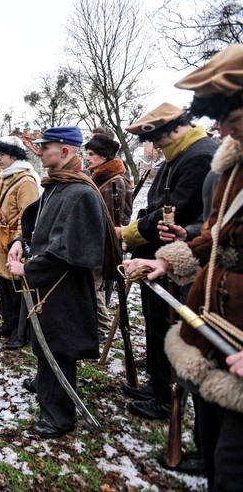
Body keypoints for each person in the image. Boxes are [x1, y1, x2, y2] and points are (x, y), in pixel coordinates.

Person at [124, 43, 243, 489]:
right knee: (214, 439)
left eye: (231, 120)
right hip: (217, 321)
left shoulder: (209, 157)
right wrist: (170, 257)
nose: (223, 131)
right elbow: (214, 232)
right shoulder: (233, 165)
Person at [7, 126, 115, 439]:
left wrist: (30, 270)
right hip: (49, 281)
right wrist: (20, 241)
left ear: (65, 151)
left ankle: (59, 416)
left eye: (45, 147)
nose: (39, 153)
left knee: (59, 346)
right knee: (45, 340)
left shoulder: (79, 193)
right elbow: (38, 226)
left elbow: (69, 250)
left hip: (65, 285)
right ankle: (44, 383)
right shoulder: (58, 185)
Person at [121, 103, 216, 420]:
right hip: (157, 258)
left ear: (175, 130)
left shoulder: (200, 155)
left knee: (167, 328)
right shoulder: (179, 156)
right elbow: (157, 207)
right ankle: (158, 384)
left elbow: (179, 212)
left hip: (177, 263)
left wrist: (131, 233)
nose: (157, 147)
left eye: (159, 139)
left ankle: (166, 398)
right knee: (156, 325)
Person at [0, 136, 41, 348]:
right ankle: (8, 325)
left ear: (14, 156)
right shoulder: (8, 176)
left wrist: (17, 242)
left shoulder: (25, 181)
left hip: (13, 244)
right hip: (0, 239)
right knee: (4, 288)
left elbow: (28, 218)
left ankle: (21, 333)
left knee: (17, 292)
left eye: (1, 154)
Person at [84, 134, 133, 342]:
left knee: (96, 287)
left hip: (104, 243)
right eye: (87, 153)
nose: (87, 158)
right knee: (92, 286)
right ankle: (94, 327)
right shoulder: (100, 178)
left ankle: (101, 330)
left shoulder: (116, 182)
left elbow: (117, 220)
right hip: (95, 241)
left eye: (92, 154)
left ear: (104, 157)